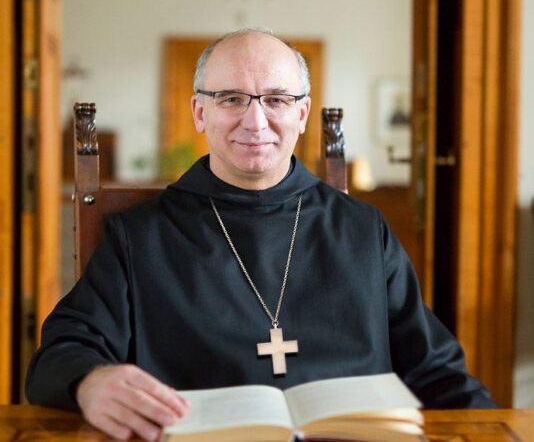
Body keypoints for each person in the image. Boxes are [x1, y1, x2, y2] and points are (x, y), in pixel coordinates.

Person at [26, 28, 496, 441]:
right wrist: (90, 383)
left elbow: (437, 373)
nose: (255, 122)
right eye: (231, 98)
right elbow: (63, 354)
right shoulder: (139, 236)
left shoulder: (363, 230)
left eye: (276, 100)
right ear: (199, 112)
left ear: (303, 114)